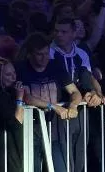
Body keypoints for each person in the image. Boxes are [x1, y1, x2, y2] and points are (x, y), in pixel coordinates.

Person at [16, 33, 83, 172]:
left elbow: (75, 92)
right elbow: (26, 97)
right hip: (30, 130)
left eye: (47, 53)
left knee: (60, 168)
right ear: (30, 54)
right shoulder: (21, 69)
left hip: (52, 129)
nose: (44, 57)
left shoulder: (55, 66)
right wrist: (54, 107)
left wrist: (73, 105)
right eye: (39, 54)